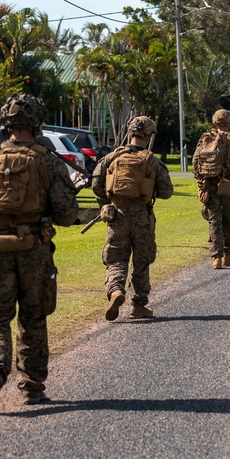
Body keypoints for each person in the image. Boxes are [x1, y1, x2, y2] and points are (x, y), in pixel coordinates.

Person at [0, 95, 78, 412]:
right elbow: (66, 215)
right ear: (38, 124)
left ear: (6, 124)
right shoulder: (49, 161)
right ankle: (32, 389)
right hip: (35, 250)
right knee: (33, 318)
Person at [91, 116, 174, 321]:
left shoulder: (112, 158)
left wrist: (106, 204)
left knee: (116, 258)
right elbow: (167, 191)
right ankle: (138, 305)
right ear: (148, 136)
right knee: (141, 261)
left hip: (117, 216)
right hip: (142, 218)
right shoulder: (152, 161)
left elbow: (96, 183)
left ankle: (115, 290)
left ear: (130, 133)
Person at [193, 109, 230, 270]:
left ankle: (216, 257)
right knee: (228, 218)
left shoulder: (206, 139)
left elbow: (195, 162)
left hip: (209, 184)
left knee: (214, 219)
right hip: (228, 184)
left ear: (214, 123)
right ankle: (227, 253)